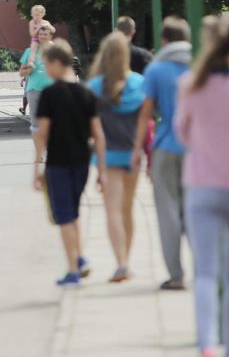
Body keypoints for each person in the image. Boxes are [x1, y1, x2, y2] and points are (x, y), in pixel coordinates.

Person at [175, 15, 229, 357]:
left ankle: (207, 343)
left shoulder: (191, 84)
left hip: (202, 185)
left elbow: (182, 132)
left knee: (205, 271)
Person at [34, 39, 107, 288]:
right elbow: (98, 134)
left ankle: (73, 269)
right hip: (82, 163)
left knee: (64, 216)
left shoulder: (49, 95)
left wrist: (36, 166)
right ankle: (80, 257)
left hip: (58, 162)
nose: (45, 70)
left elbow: (42, 133)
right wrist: (102, 171)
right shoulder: (86, 93)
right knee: (73, 210)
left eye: (46, 65)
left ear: (56, 63)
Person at [132, 17, 192, 290]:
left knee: (167, 211)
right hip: (198, 148)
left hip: (166, 145)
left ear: (165, 40)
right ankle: (204, 268)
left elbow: (146, 111)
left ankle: (176, 275)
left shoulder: (157, 70)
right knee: (196, 209)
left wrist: (138, 150)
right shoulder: (200, 66)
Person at [88, 32, 145, 283]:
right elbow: (147, 122)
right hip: (132, 152)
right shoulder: (139, 84)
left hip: (107, 155)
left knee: (112, 210)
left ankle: (120, 263)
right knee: (127, 209)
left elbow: (91, 129)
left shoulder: (94, 87)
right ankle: (127, 262)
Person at [20, 24, 56, 130]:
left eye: (45, 34)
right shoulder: (29, 51)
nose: (43, 37)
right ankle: (39, 146)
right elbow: (21, 73)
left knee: (52, 121)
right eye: (41, 34)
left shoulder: (55, 51)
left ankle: (51, 145)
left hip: (51, 90)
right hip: (34, 90)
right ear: (37, 36)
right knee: (36, 124)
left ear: (50, 36)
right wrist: (28, 70)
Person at [26, 4, 53, 71]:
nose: (36, 17)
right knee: (33, 49)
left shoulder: (46, 22)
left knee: (52, 45)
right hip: (35, 39)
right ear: (32, 15)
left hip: (45, 40)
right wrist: (39, 27)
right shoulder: (32, 22)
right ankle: (31, 62)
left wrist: (49, 26)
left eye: (38, 15)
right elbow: (32, 34)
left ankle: (50, 61)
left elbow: (53, 30)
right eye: (35, 15)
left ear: (42, 14)